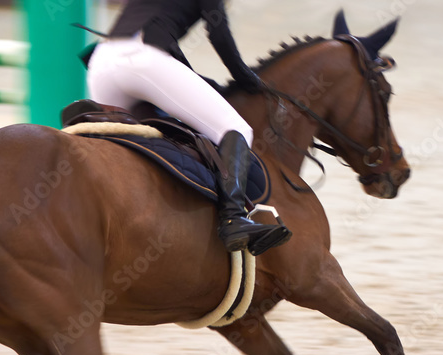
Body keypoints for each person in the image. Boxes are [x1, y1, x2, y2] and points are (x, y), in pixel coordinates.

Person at [86, 0, 291, 255]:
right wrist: (246, 78)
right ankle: (234, 219)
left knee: (114, 149)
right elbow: (219, 33)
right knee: (235, 127)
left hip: (102, 63)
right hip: (141, 60)